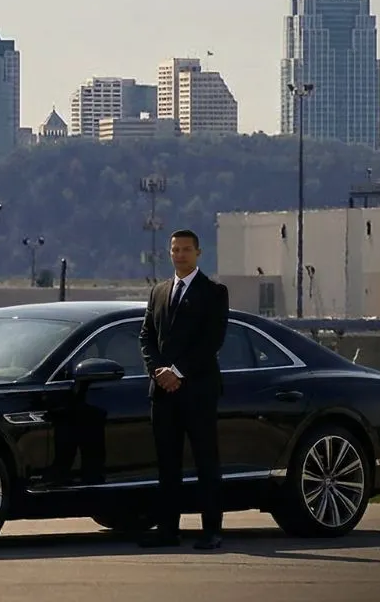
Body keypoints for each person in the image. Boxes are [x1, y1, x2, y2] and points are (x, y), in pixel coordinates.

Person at [137, 228, 229, 550]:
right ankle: (168, 530)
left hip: (198, 390)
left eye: (186, 249)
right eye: (175, 249)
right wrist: (158, 371)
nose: (180, 255)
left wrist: (177, 371)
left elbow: (211, 341)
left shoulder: (214, 292)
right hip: (162, 393)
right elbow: (146, 336)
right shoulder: (159, 291)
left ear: (198, 253)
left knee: (206, 462)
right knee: (167, 464)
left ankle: (212, 531)